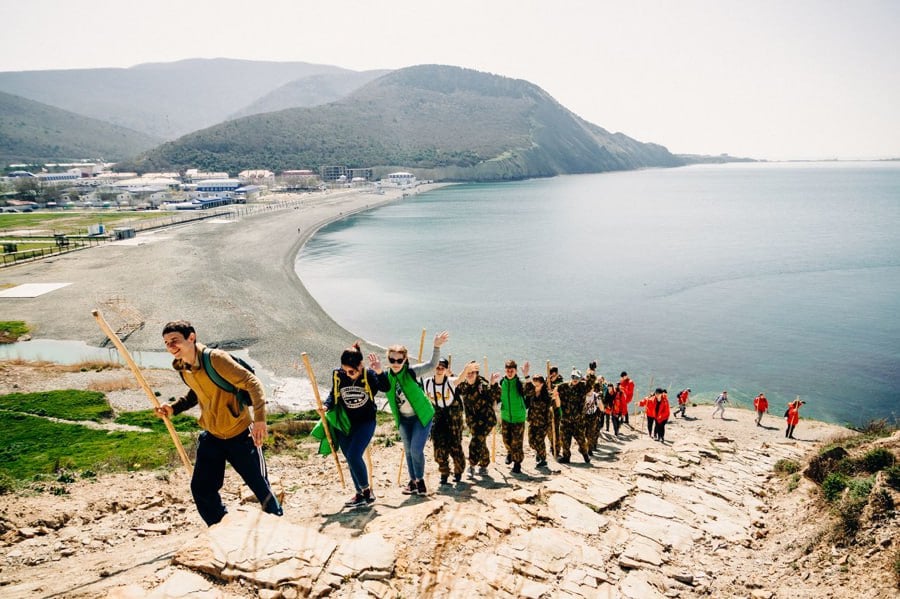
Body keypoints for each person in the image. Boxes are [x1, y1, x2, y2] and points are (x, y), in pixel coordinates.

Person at [157, 320, 282, 526]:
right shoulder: (182, 366)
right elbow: (196, 393)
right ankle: (220, 526)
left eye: (175, 341)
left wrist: (259, 420)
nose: (171, 347)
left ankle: (278, 525)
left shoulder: (216, 359)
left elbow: (253, 383)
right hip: (212, 436)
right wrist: (173, 408)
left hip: (241, 434)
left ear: (191, 337)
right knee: (201, 488)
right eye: (167, 342)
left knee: (260, 487)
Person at [322, 342, 389, 508]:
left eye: (351, 371)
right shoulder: (339, 375)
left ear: (361, 366)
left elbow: (386, 387)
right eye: (344, 370)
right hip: (345, 423)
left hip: (366, 422)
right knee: (350, 458)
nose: (347, 374)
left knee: (353, 455)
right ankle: (359, 494)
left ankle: (366, 490)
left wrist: (380, 371)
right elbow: (333, 393)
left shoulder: (370, 376)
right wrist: (326, 405)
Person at [382, 331, 449, 496]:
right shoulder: (385, 377)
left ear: (405, 359)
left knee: (416, 450)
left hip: (421, 417)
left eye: (399, 360)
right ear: (388, 360)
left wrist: (436, 346)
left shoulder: (411, 372)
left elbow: (432, 365)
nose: (396, 363)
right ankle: (413, 482)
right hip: (404, 420)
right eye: (392, 360)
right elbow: (368, 383)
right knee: (409, 451)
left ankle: (420, 481)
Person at [423, 357, 465, 485]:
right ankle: (444, 473)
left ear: (446, 369)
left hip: (453, 421)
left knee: (455, 448)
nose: (439, 369)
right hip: (438, 419)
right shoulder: (427, 383)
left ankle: (458, 471)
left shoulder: (451, 382)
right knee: (439, 450)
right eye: (437, 367)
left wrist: (466, 369)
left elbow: (461, 379)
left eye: (442, 367)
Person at [456, 361, 496, 477]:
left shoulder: (482, 385)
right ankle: (484, 465)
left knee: (476, 441)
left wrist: (493, 385)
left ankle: (472, 466)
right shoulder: (463, 385)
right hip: (472, 420)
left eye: (473, 372)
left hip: (486, 420)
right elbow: (452, 385)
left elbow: (495, 396)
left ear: (477, 373)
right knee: (480, 442)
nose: (470, 374)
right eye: (468, 372)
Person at [490, 360, 529, 474]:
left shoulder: (520, 383)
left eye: (512, 370)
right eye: (507, 370)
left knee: (517, 442)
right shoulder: (502, 382)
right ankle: (510, 453)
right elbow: (495, 396)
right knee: (506, 440)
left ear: (516, 371)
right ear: (505, 370)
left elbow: (530, 392)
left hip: (518, 417)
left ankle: (517, 464)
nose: (509, 372)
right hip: (506, 416)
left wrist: (526, 375)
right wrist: (492, 383)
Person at [555, 367, 595, 463]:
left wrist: (591, 372)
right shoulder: (563, 387)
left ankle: (585, 455)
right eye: (573, 377)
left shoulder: (583, 387)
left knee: (581, 440)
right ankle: (566, 457)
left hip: (578, 421)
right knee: (565, 440)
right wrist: (554, 392)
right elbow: (552, 389)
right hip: (565, 420)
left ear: (580, 378)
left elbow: (591, 383)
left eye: (577, 377)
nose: (574, 379)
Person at [525, 374, 553, 468]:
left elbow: (551, 408)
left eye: (537, 385)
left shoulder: (546, 396)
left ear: (542, 384)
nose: (536, 387)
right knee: (531, 442)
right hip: (532, 421)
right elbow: (526, 404)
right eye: (534, 385)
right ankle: (538, 453)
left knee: (540, 441)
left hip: (542, 423)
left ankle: (543, 460)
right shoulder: (531, 394)